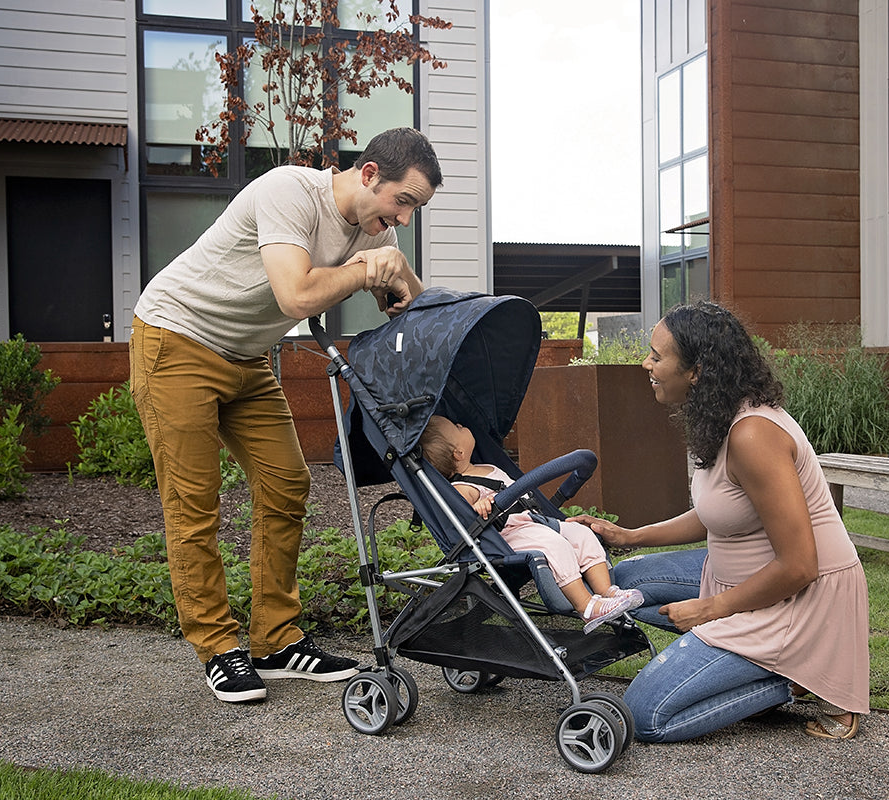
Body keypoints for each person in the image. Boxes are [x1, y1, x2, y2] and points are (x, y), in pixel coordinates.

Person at [130, 128, 443, 704]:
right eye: (403, 201)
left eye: (414, 210)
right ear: (369, 174)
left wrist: (399, 271)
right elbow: (295, 297)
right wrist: (367, 269)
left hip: (247, 356)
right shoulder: (289, 191)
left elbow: (411, 310)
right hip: (176, 340)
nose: (403, 218)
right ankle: (218, 648)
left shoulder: (374, 230)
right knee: (193, 501)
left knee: (286, 484)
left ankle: (274, 640)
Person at [568, 301, 870, 742]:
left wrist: (709, 610)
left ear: (697, 371)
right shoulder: (720, 418)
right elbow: (718, 513)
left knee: (645, 714)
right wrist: (630, 535)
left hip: (798, 597)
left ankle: (801, 675)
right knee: (623, 583)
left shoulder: (754, 435)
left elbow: (801, 566)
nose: (646, 364)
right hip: (742, 576)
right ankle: (751, 658)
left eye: (656, 355)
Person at [419, 415, 642, 633]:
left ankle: (607, 592)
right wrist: (478, 506)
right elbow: (459, 515)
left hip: (535, 522)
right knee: (555, 545)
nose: (461, 423)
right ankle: (586, 606)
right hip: (510, 534)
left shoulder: (486, 466)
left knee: (580, 533)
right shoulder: (462, 487)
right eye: (457, 427)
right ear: (458, 453)